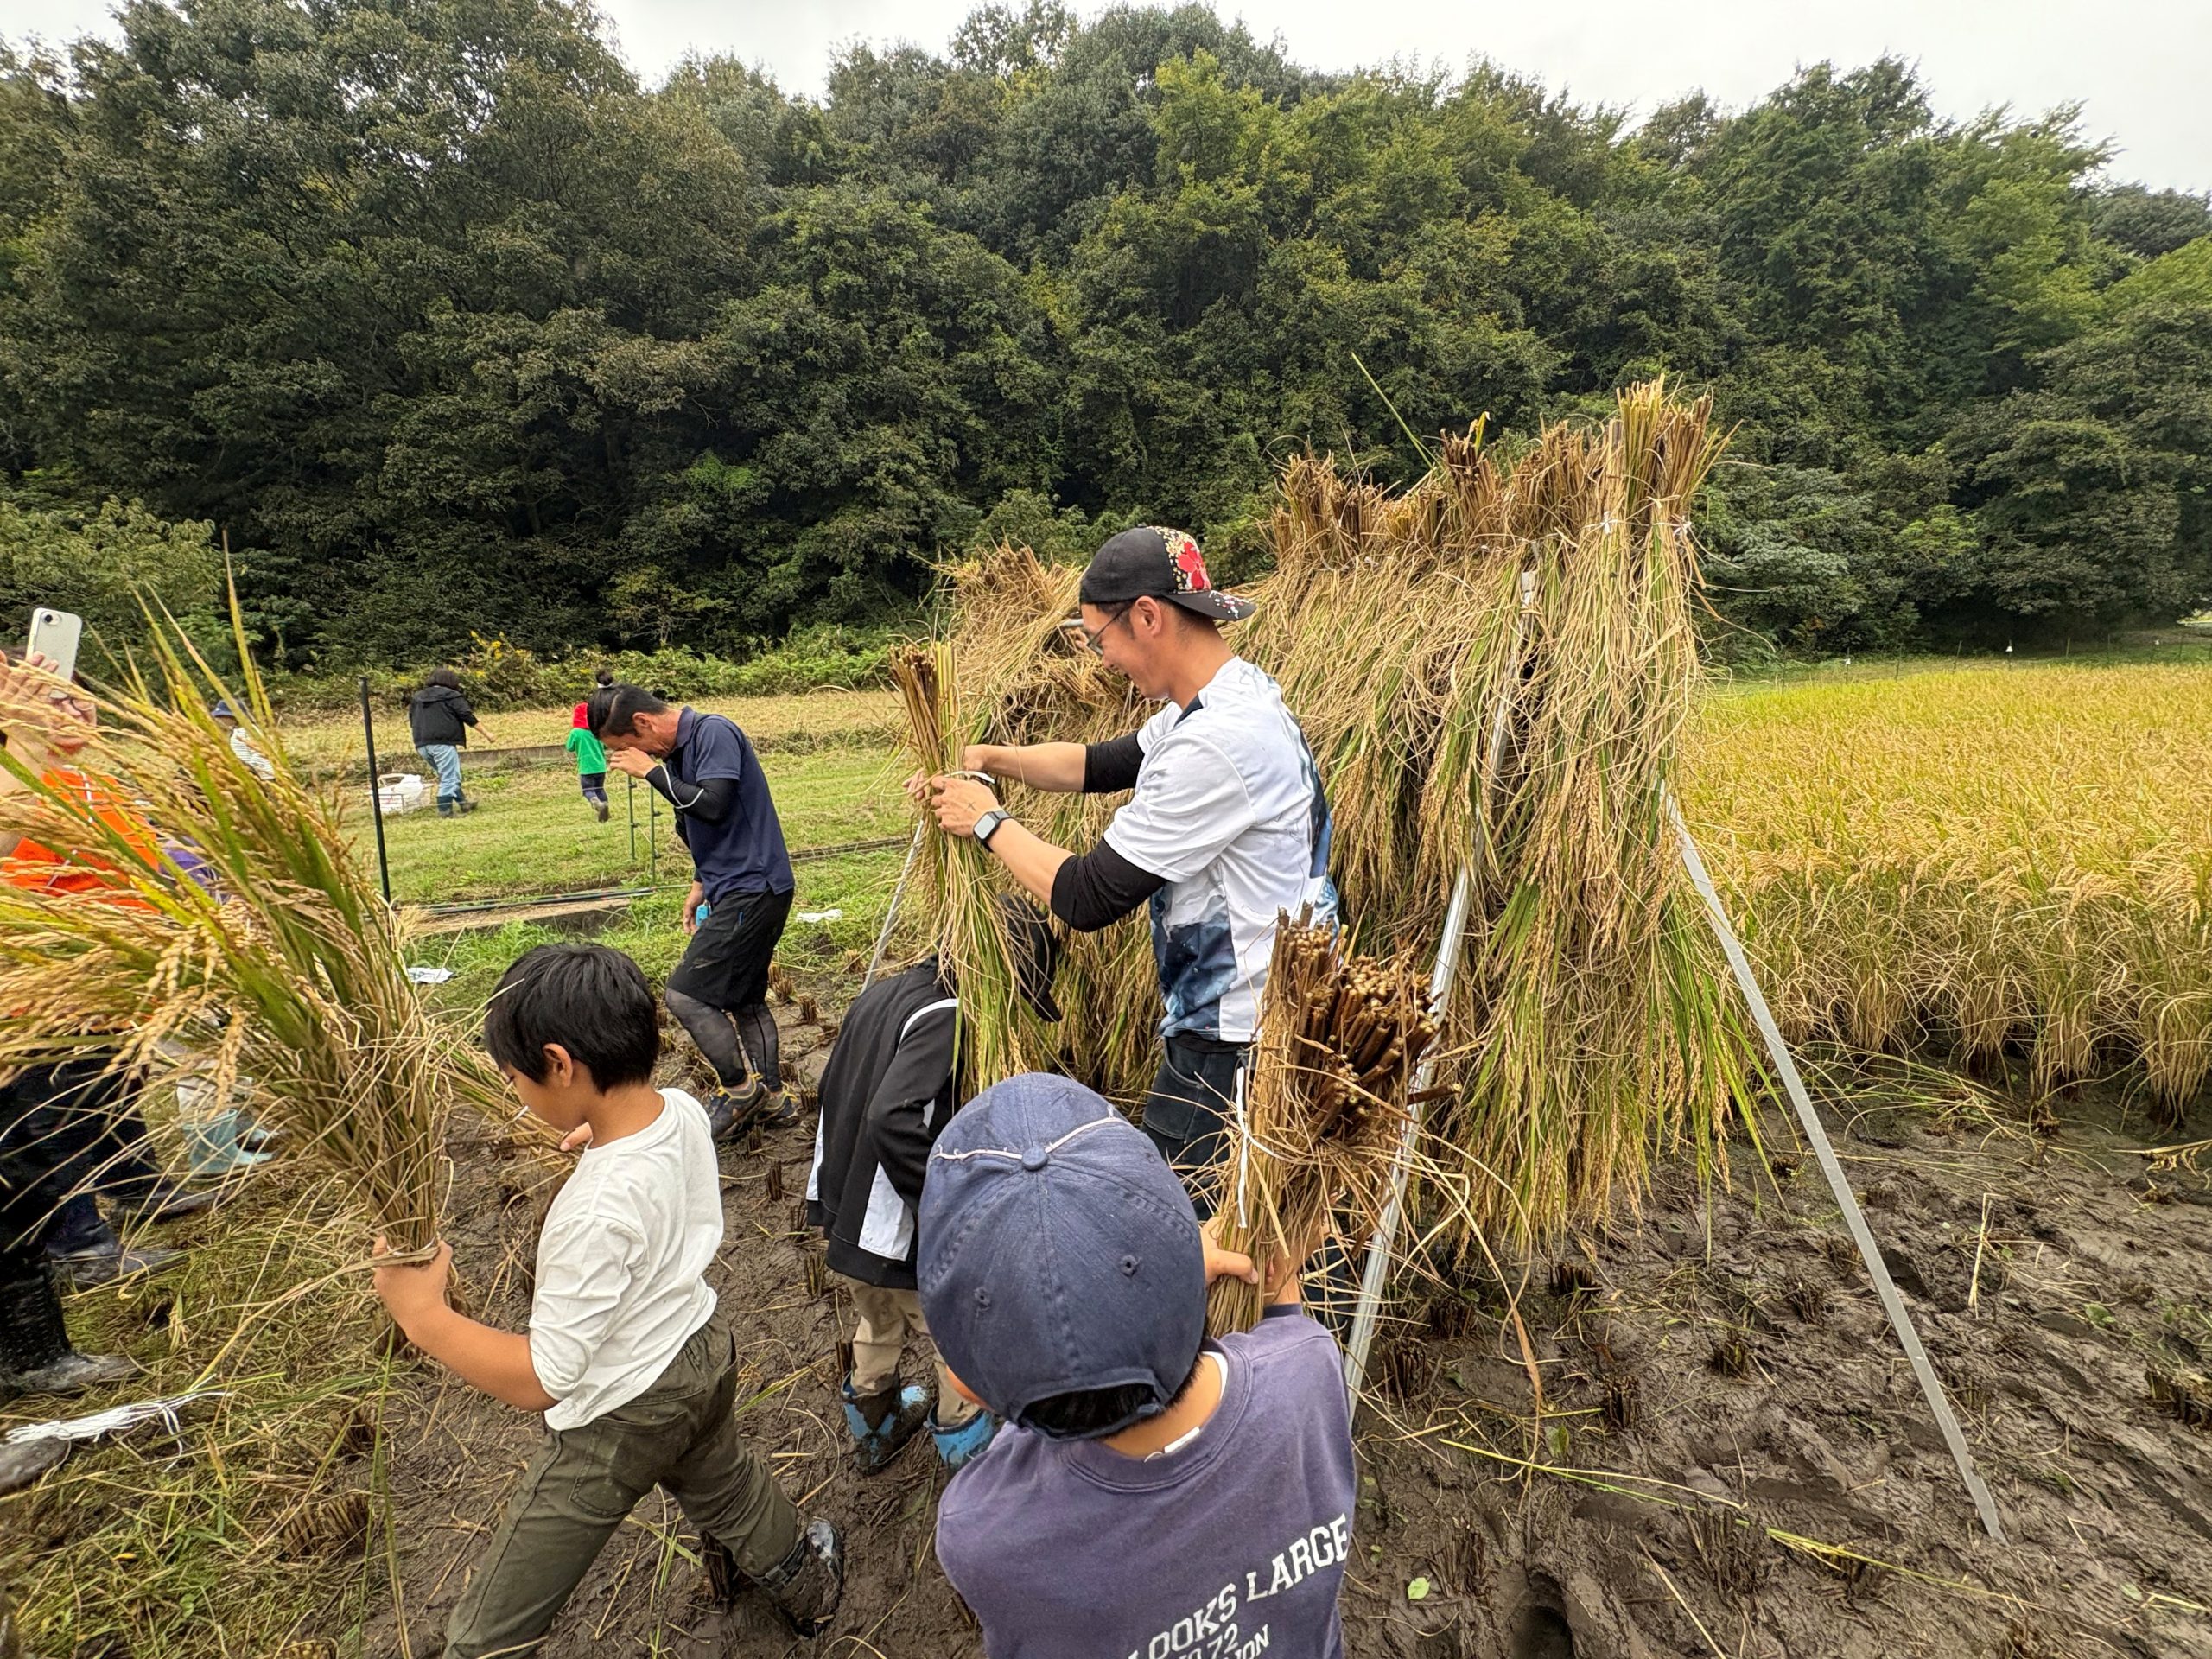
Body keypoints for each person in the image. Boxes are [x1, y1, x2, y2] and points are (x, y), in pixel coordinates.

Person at [371, 944, 842, 1656]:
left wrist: (424, 1316)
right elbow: (642, 1130)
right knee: (728, 1486)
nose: (515, 1092)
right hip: (702, 1352)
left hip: (622, 1416)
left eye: (514, 1077)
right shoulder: (680, 1109)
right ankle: (811, 1590)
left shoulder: (590, 1213)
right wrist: (597, 1130)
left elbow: (545, 1377)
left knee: (495, 1615)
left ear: (560, 1064)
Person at [923, 526, 1337, 1210]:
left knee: (1183, 1225)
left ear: (1147, 616)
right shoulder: (1227, 698)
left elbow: (1088, 896)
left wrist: (986, 820)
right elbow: (1103, 764)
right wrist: (990, 759)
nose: (1102, 658)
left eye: (1098, 638)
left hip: (1238, 1040)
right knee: (1234, 1226)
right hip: (1257, 1017)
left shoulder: (1218, 744)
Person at [918, 1072, 1354, 1659]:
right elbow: (1277, 1334)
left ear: (965, 1384)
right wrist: (1238, 1274)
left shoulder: (983, 1534)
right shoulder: (1310, 1368)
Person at [0, 650, 205, 1430]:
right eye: (45, 702)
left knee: (102, 1107)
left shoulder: (89, 781)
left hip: (106, 993)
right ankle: (79, 1248)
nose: (71, 712)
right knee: (40, 1141)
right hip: (48, 1002)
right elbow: (22, 894)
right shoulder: (22, 793)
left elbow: (143, 858)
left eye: (74, 698)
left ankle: (129, 1200)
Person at [806, 899, 1063, 1475]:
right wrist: (945, 1201)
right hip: (897, 1227)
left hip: (851, 1215)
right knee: (957, 1333)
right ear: (1003, 970)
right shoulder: (950, 1009)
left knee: (877, 1318)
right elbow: (891, 1118)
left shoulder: (886, 991)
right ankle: (963, 1446)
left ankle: (874, 1428)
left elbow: (835, 1089)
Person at [588, 683, 794, 1140]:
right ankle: (776, 1101)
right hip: (735, 886)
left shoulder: (713, 733)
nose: (632, 758)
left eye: (627, 747)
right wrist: (701, 883)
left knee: (686, 995)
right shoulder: (677, 755)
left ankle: (740, 1091)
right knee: (745, 1000)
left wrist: (649, 773)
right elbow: (700, 823)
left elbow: (715, 805)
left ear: (642, 724)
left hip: (754, 888)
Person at [408, 667, 493, 817]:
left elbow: (412, 719)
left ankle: (463, 803)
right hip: (443, 743)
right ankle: (445, 811)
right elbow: (466, 715)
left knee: (450, 775)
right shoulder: (451, 695)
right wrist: (486, 733)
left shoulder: (418, 697)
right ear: (450, 681)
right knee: (450, 777)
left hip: (422, 744)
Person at [209, 699, 275, 782]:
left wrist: (248, 770)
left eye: (222, 717)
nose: (220, 720)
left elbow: (259, 753)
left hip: (262, 777)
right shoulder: (233, 732)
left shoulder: (249, 730)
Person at [568, 702, 610, 823]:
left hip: (586, 768)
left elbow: (569, 747)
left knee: (588, 790)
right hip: (600, 766)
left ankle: (597, 804)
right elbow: (606, 746)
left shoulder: (576, 732)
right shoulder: (598, 730)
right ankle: (605, 806)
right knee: (600, 788)